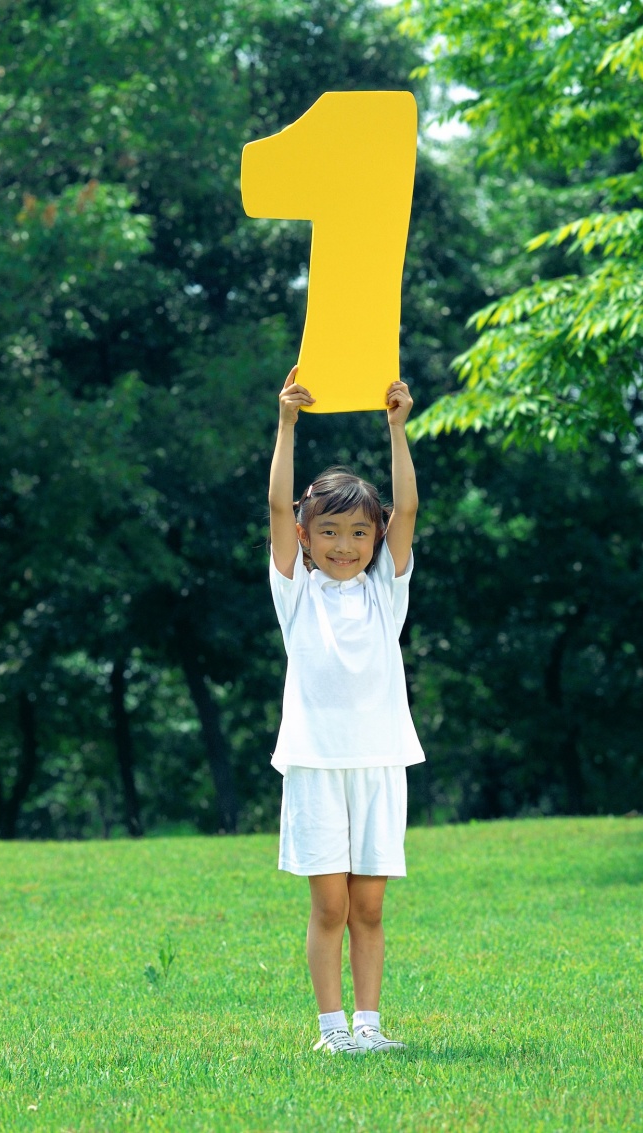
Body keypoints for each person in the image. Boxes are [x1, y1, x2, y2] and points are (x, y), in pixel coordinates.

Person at [268, 364, 426, 1056]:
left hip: (379, 762)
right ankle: (332, 1031)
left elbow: (410, 511)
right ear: (306, 537)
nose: (344, 546)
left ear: (375, 538)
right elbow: (277, 508)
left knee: (369, 907)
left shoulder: (384, 593)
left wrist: (398, 428)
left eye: (359, 534)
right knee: (329, 906)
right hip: (314, 763)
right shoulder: (296, 593)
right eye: (329, 532)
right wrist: (286, 424)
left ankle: (370, 1025)